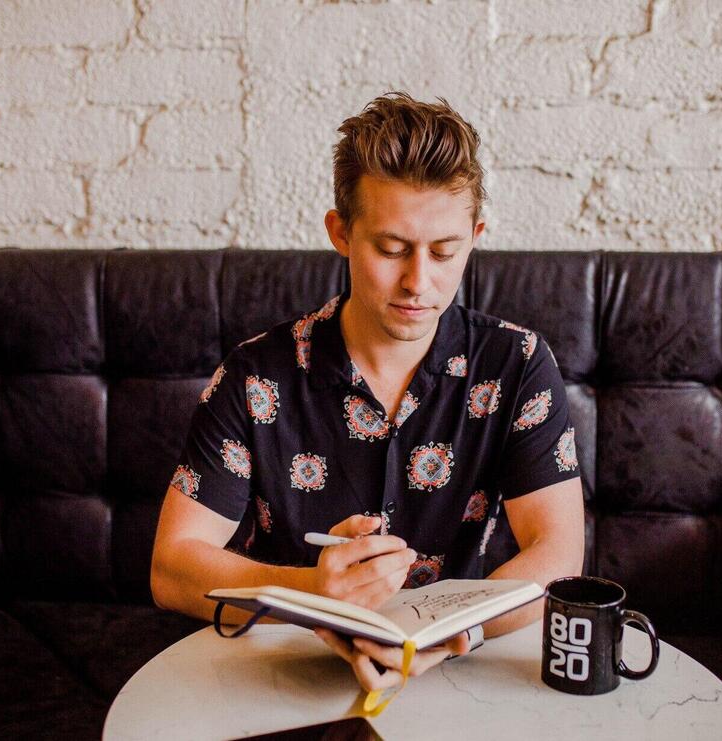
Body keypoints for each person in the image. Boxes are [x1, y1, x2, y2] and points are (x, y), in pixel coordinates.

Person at [151, 92, 585, 693]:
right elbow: (172, 566)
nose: (418, 282)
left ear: (475, 235)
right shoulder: (256, 375)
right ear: (341, 232)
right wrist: (312, 590)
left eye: (444, 251)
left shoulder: (517, 364)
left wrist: (447, 636)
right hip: (280, 666)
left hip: (454, 670)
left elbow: (558, 553)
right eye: (390, 248)